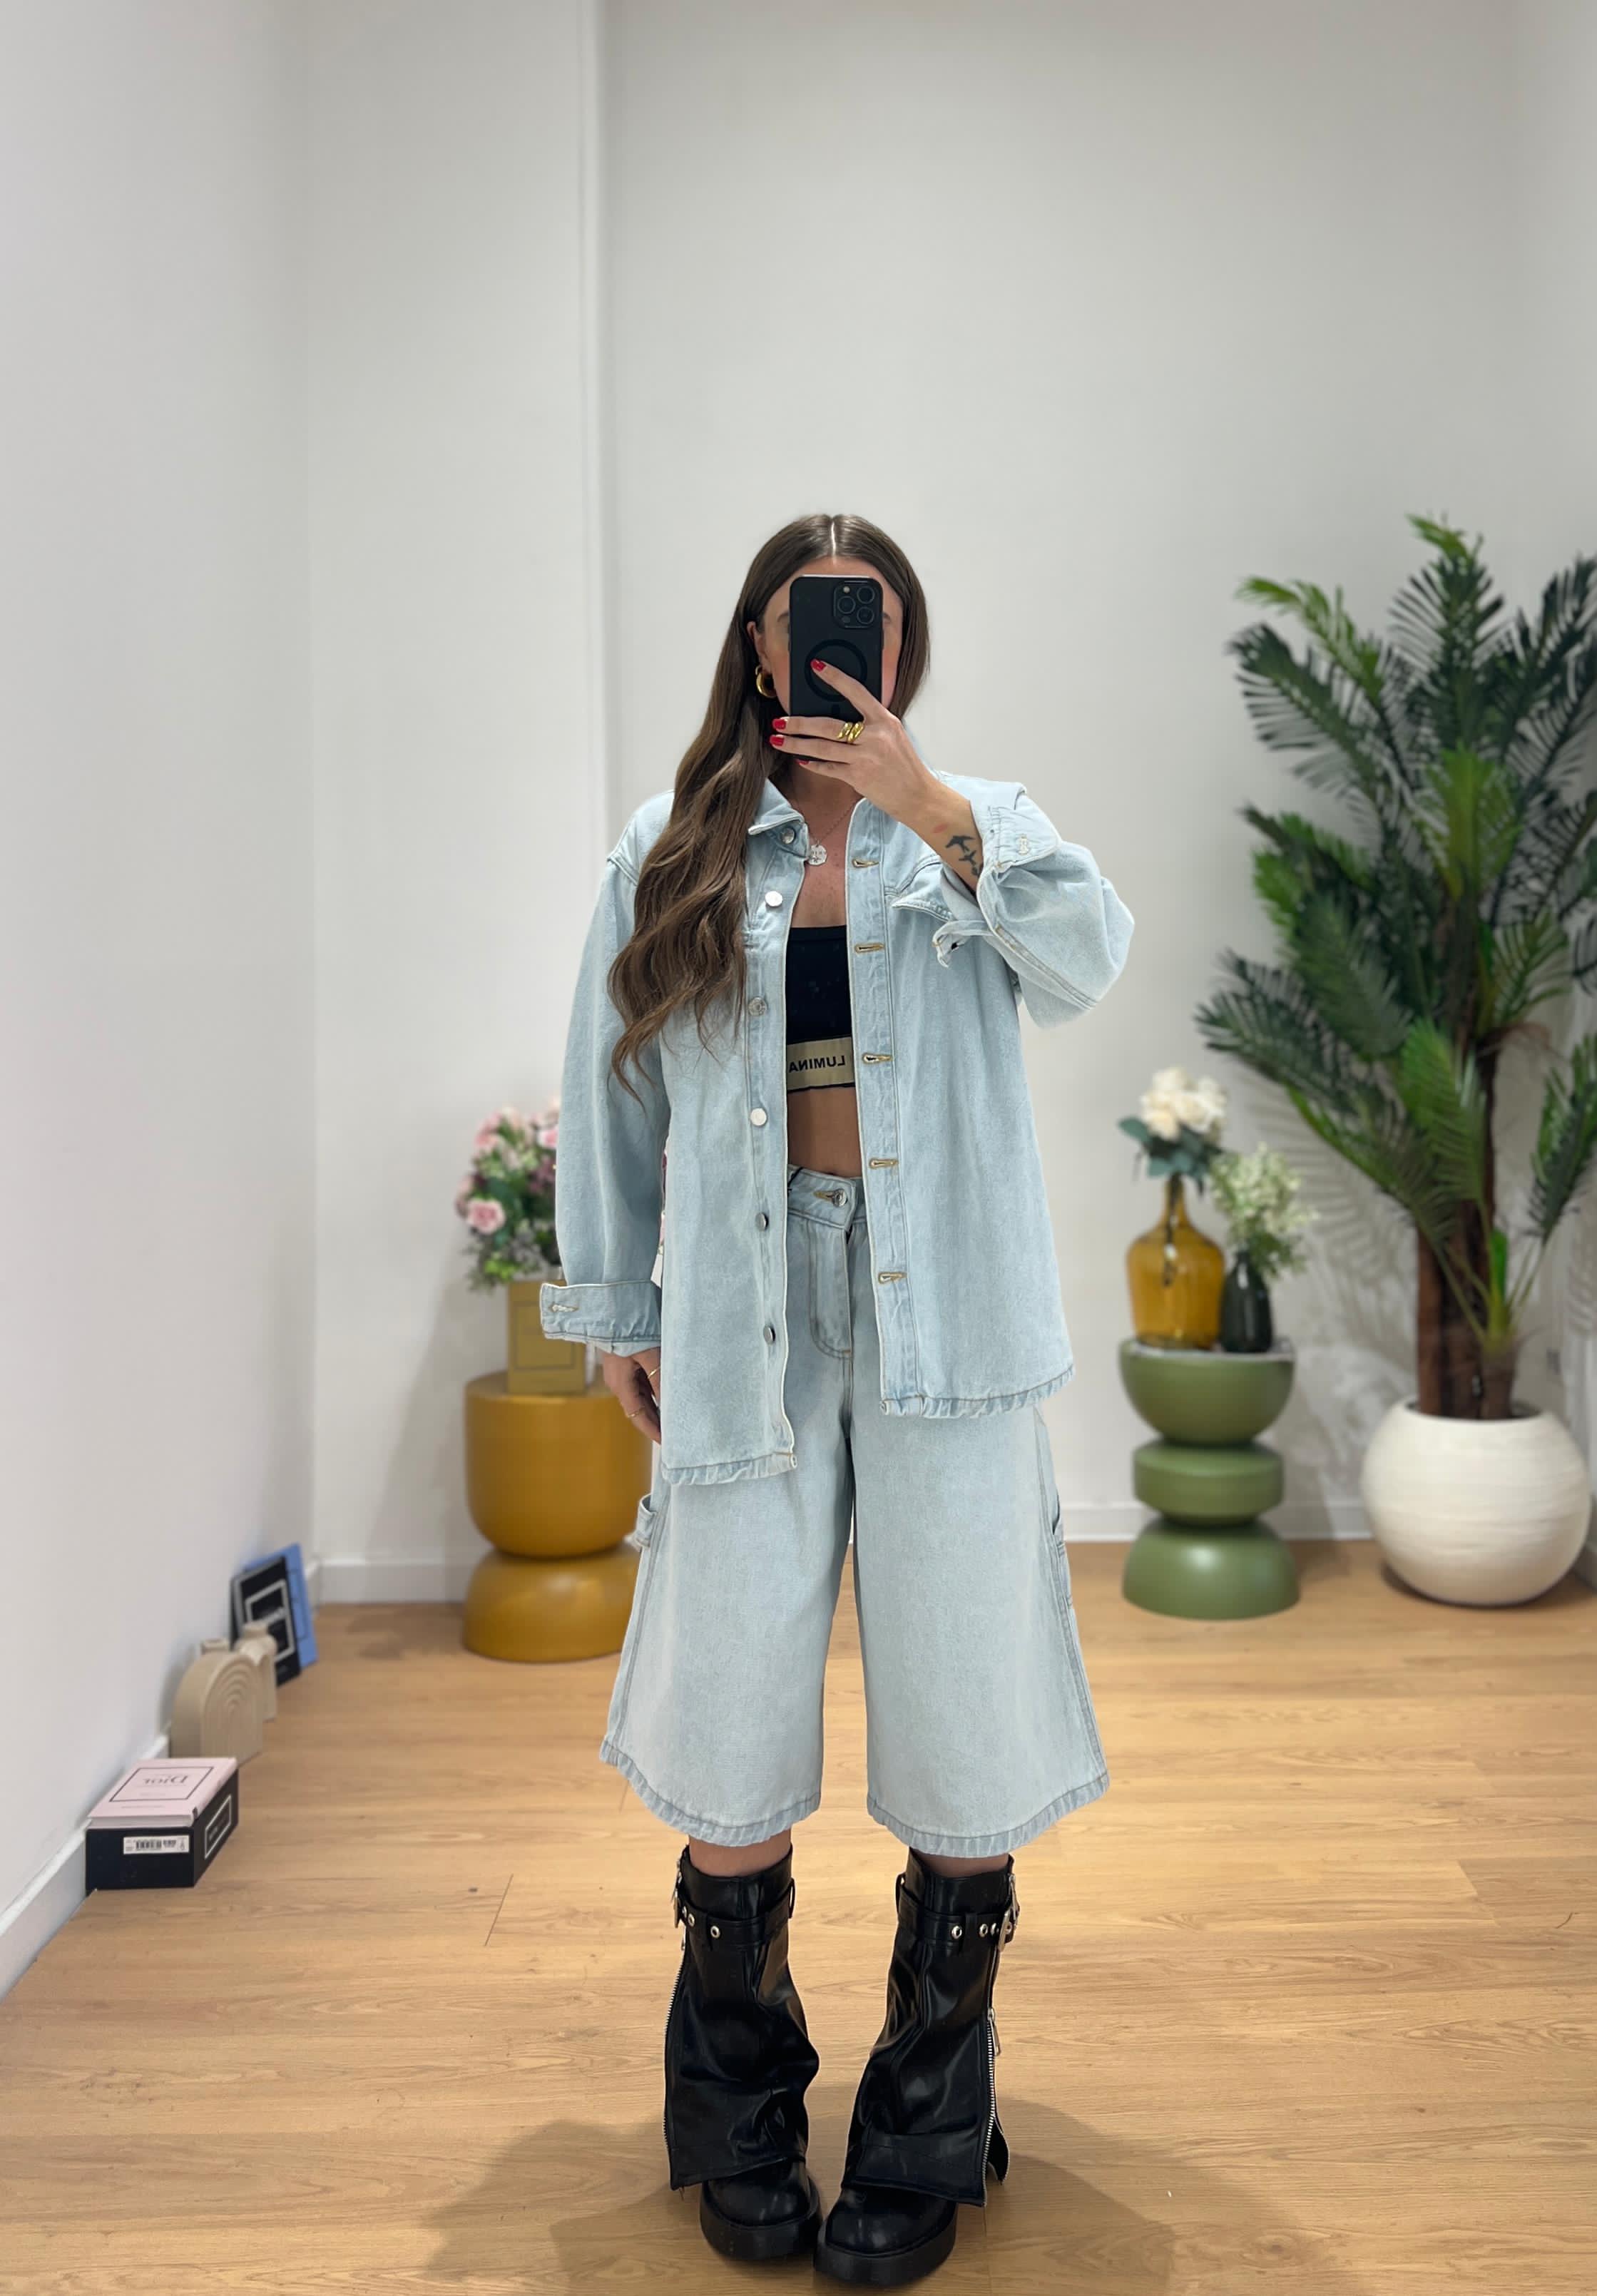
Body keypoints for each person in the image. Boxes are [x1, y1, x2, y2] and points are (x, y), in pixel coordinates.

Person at [541, 511, 1134, 2286]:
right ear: (755, 644)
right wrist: (613, 1309)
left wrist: (930, 802)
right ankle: (734, 2102)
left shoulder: (974, 824)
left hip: (946, 1307)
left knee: (961, 1698)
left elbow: (1090, 959)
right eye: (804, 625)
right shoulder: (670, 846)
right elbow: (608, 1081)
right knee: (729, 1693)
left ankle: (926, 2114)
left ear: (898, 646)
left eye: (866, 625)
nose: (832, 652)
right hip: (746, 1309)